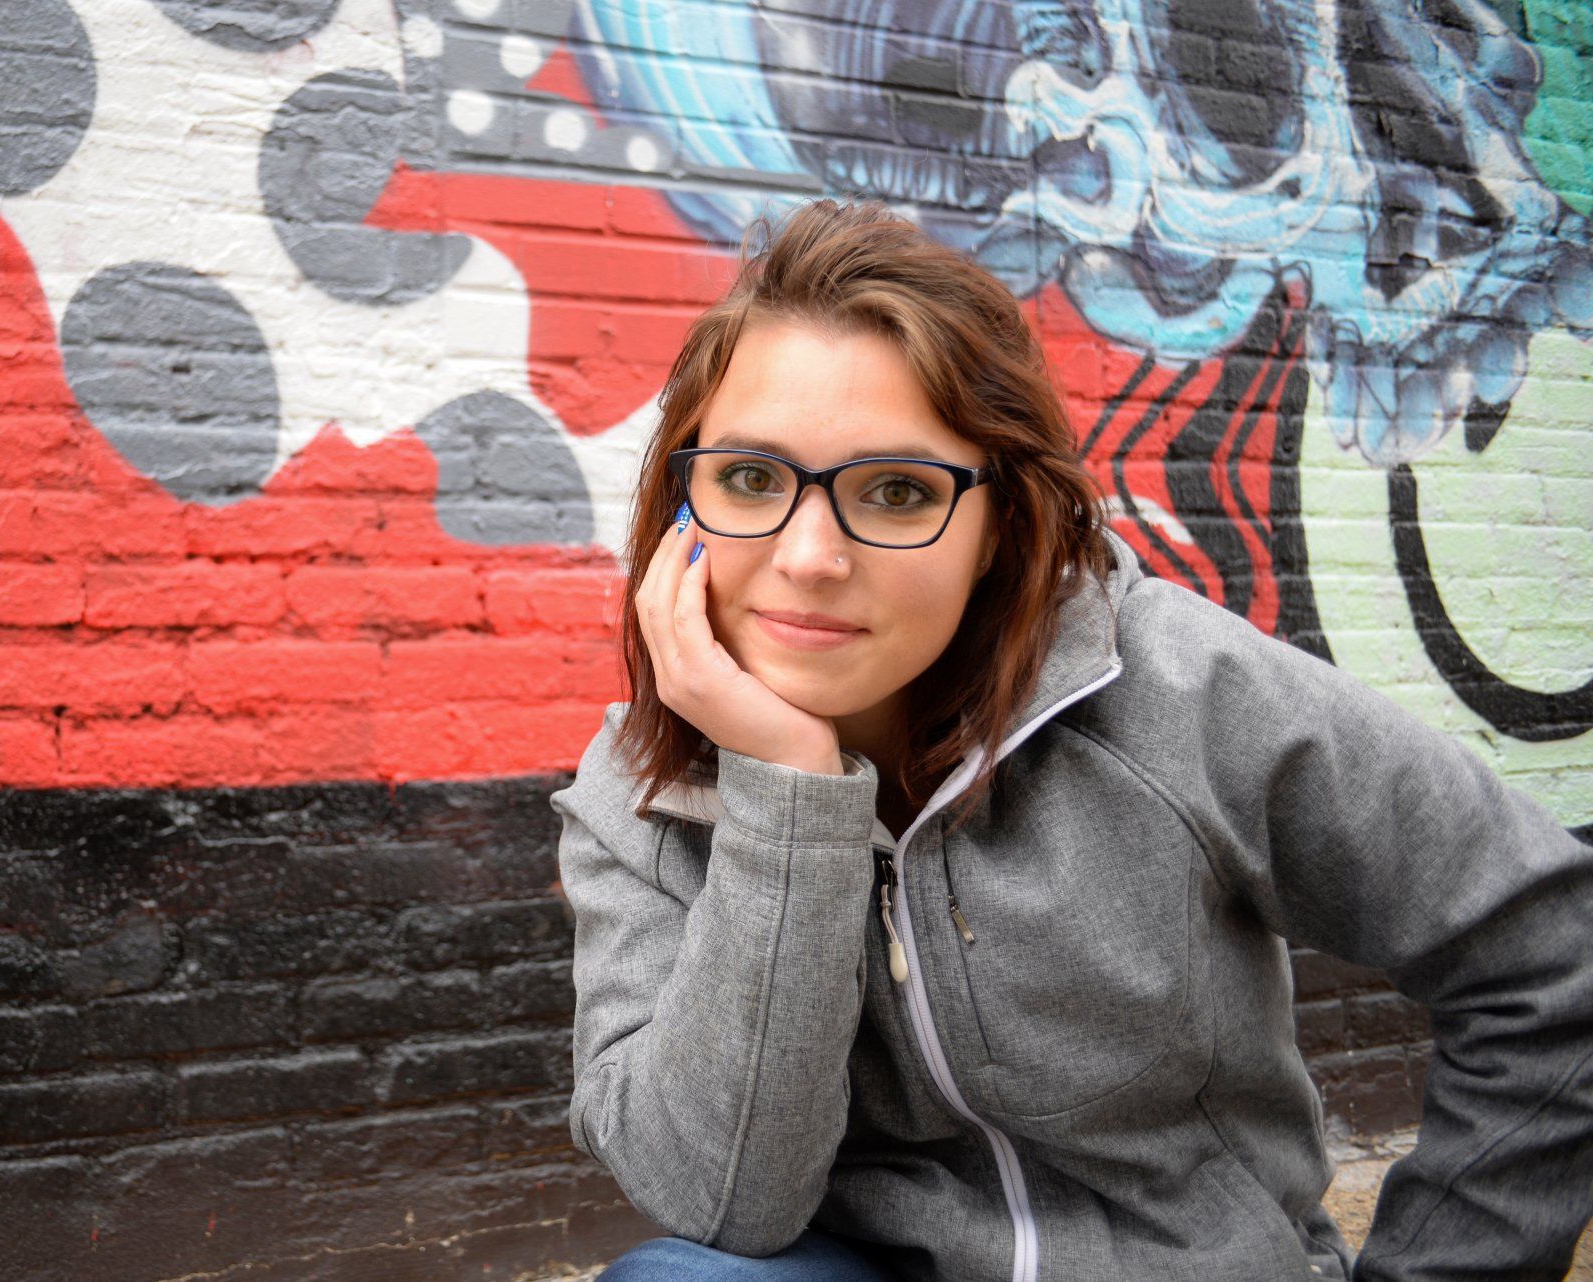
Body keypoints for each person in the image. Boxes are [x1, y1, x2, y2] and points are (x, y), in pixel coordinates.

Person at [547, 199, 1593, 1282]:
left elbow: (1555, 944)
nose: (809, 557)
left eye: (898, 491)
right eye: (752, 478)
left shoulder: (1177, 694)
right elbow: (722, 1202)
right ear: (683, 497)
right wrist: (789, 793)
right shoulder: (641, 796)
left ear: (998, 523)